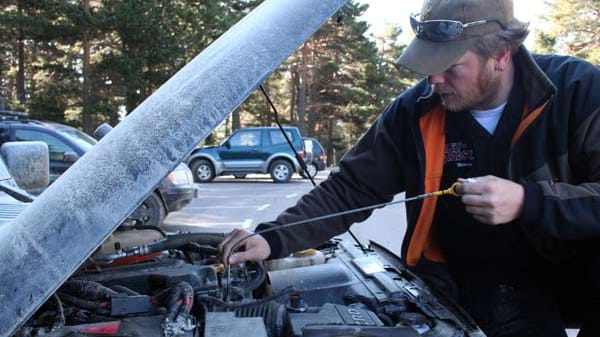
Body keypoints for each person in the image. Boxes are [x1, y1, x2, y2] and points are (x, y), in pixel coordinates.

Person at [219, 0, 600, 335]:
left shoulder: (579, 91)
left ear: (501, 55)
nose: (434, 79)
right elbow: (351, 187)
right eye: (428, 65)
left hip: (568, 279)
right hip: (462, 289)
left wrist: (527, 202)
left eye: (450, 66)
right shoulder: (415, 110)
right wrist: (275, 237)